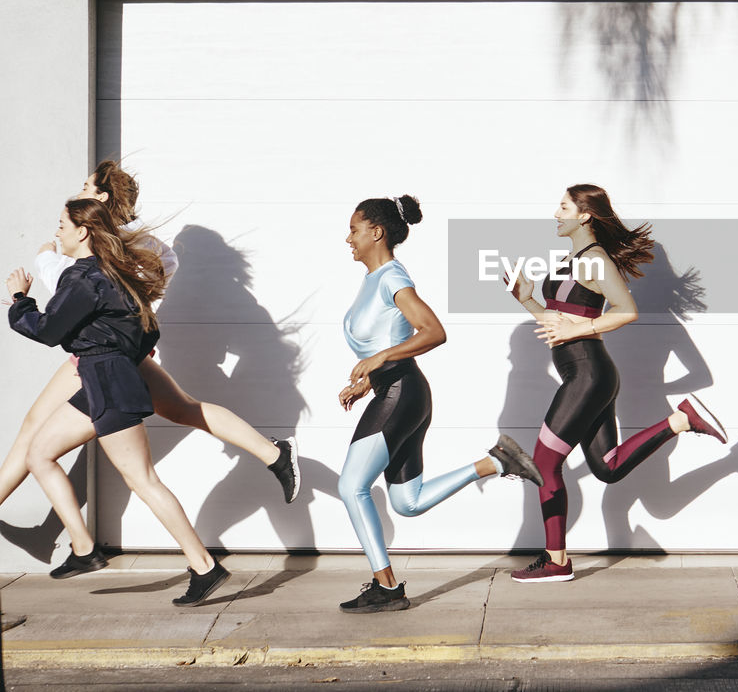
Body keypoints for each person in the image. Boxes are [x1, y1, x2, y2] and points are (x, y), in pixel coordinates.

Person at [0, 162, 297, 577]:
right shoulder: (133, 250)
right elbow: (156, 275)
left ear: (97, 204)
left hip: (104, 362)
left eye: (86, 186)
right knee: (179, 411)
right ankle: (272, 453)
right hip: (118, 355)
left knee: (131, 471)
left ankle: (201, 564)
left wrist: (33, 276)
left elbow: (59, 313)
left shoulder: (95, 262)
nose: (79, 190)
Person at [7, 199, 230, 605]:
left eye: (62, 225)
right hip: (100, 381)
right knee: (39, 452)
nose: (57, 233)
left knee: (142, 479)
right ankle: (84, 549)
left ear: (83, 232)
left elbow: (49, 330)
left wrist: (21, 299)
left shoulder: (84, 277)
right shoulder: (113, 274)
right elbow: (147, 334)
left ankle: (205, 566)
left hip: (107, 383)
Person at [507, 184, 728, 583]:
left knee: (544, 462)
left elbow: (627, 310)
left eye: (563, 207)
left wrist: (587, 326)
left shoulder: (594, 260)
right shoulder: (573, 259)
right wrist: (527, 300)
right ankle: (679, 421)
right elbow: (558, 325)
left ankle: (556, 560)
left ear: (584, 215)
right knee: (607, 469)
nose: (555, 213)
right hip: (589, 374)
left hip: (587, 374)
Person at [337, 195, 543, 613]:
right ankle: (494, 463)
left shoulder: (393, 278)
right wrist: (369, 380)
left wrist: (380, 360)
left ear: (376, 232)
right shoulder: (375, 279)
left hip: (402, 394)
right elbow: (388, 339)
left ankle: (388, 587)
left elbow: (433, 331)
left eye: (354, 229)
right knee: (406, 502)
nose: (348, 238)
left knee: (350, 485)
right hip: (399, 393)